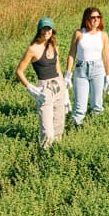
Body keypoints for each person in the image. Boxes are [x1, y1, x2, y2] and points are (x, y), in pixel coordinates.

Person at [16, 17, 69, 150]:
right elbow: (19, 71)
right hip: (44, 89)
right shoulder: (33, 49)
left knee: (59, 126)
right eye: (44, 29)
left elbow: (58, 69)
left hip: (58, 86)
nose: (46, 31)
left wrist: (65, 90)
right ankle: (43, 154)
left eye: (49, 29)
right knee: (47, 132)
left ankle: (56, 154)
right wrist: (30, 88)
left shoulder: (54, 46)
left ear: (52, 30)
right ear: (39, 30)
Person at [66, 7, 109, 126]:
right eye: (93, 17)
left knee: (97, 105)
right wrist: (68, 74)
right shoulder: (79, 33)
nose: (96, 20)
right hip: (81, 70)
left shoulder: (103, 35)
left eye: (98, 17)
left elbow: (106, 56)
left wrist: (108, 77)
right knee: (79, 107)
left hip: (98, 69)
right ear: (87, 18)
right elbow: (72, 53)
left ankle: (97, 128)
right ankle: (77, 130)